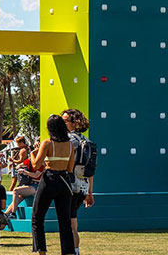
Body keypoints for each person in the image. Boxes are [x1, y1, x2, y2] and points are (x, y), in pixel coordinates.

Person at [27, 115, 75, 255]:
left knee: (37, 216)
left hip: (49, 179)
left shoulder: (47, 143)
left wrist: (32, 153)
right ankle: (68, 252)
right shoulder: (70, 144)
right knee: (65, 220)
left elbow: (36, 165)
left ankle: (41, 250)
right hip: (64, 180)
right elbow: (70, 168)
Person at [61, 108, 96, 254]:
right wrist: (89, 192)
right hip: (82, 186)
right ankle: (75, 250)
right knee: (73, 223)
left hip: (69, 184)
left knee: (68, 223)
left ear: (74, 123)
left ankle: (71, 251)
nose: (62, 123)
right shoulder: (87, 142)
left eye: (65, 121)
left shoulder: (69, 141)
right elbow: (90, 170)